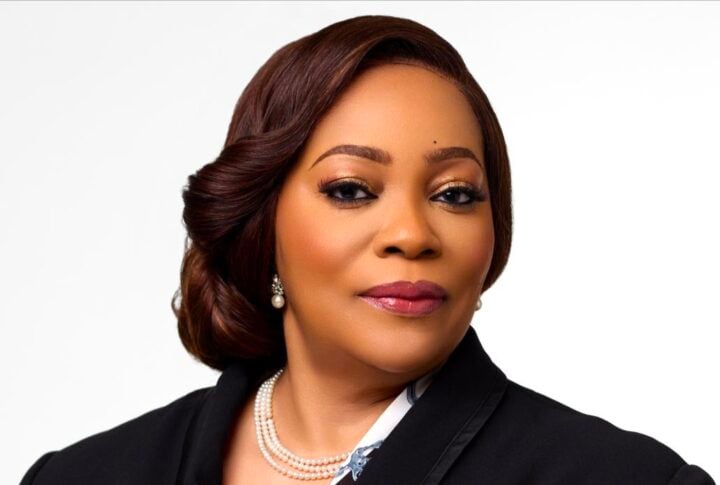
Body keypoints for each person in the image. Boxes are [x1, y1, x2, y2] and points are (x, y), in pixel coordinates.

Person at [20, 14, 714, 485]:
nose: (412, 234)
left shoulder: (625, 478)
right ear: (263, 222)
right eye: (351, 189)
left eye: (455, 194)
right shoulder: (83, 476)